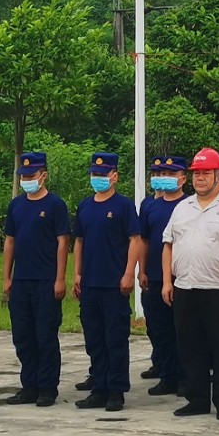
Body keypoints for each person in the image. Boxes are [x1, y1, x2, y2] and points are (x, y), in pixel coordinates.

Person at [163, 147, 219, 421]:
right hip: (185, 286)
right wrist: (167, 281)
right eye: (196, 173)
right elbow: (168, 244)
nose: (200, 178)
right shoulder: (182, 207)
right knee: (190, 345)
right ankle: (197, 399)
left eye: (206, 173)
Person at [72, 153, 143, 413]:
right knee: (94, 339)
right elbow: (79, 241)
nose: (98, 178)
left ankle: (116, 391)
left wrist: (129, 273)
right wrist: (77, 273)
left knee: (115, 339)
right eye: (95, 174)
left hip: (114, 284)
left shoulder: (123, 206)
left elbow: (135, 240)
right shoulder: (85, 206)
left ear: (114, 176)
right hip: (90, 283)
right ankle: (99, 388)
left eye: (103, 174)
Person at [4, 151, 70, 408]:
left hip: (45, 280)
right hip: (22, 280)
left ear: (43, 175)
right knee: (23, 336)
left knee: (45, 336)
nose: (27, 180)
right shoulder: (16, 205)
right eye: (24, 176)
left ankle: (47, 387)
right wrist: (7, 277)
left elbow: (62, 243)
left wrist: (60, 278)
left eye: (31, 176)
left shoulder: (55, 205)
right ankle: (28, 386)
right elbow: (10, 241)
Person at [138, 155, 187, 397]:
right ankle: (168, 376)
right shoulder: (150, 206)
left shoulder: (189, 205)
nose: (165, 178)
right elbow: (144, 241)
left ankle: (187, 378)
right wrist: (142, 270)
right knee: (161, 330)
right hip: (155, 276)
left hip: (183, 277)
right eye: (162, 174)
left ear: (182, 178)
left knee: (184, 331)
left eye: (171, 174)